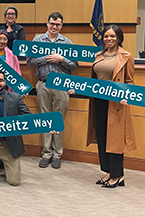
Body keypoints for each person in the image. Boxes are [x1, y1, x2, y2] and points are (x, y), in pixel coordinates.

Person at [82, 25, 135, 188]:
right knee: (103, 136)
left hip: (116, 104)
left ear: (119, 38)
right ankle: (108, 170)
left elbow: (130, 82)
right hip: (99, 101)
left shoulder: (127, 56)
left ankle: (117, 175)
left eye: (112, 36)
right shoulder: (99, 55)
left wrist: (126, 97)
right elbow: (94, 80)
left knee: (115, 139)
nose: (109, 39)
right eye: (106, 36)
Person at [27, 12, 79, 169]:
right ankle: (46, 153)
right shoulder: (37, 40)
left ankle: (57, 154)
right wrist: (48, 58)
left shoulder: (67, 42)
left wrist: (61, 59)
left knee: (58, 120)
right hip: (43, 84)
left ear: (61, 26)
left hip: (62, 86)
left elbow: (75, 65)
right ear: (47, 24)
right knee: (45, 120)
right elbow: (29, 61)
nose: (54, 26)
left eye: (58, 24)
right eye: (52, 23)